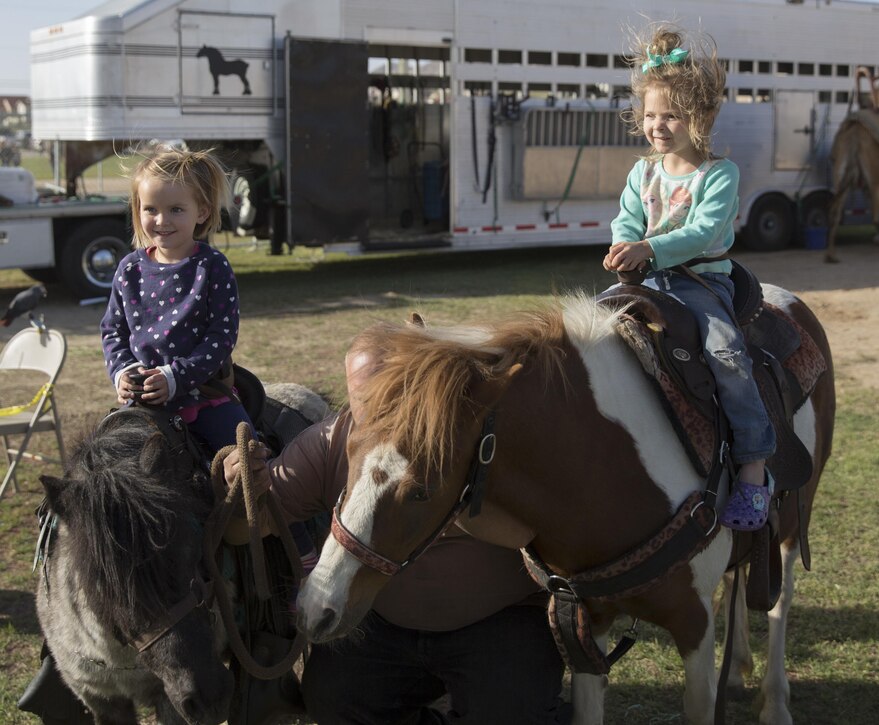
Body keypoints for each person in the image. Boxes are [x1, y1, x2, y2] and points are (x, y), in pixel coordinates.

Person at [222, 410, 568, 725]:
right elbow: (247, 529)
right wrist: (242, 494)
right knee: (333, 699)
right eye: (365, 396)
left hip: (501, 621)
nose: (383, 404)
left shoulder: (490, 437)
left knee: (512, 714)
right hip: (384, 624)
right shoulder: (330, 440)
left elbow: (548, 528)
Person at [100, 144, 316, 568]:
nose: (160, 221)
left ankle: (301, 554)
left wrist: (176, 376)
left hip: (204, 396)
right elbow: (113, 331)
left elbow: (221, 337)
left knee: (254, 472)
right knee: (104, 477)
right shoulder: (128, 269)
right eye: (150, 210)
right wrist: (123, 371)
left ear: (201, 211)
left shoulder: (212, 267)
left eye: (175, 210)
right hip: (142, 405)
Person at [604, 24, 776, 531]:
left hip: (700, 284)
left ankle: (752, 466)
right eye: (651, 115)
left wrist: (648, 249)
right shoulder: (643, 172)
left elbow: (702, 233)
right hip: (644, 279)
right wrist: (621, 246)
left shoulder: (719, 175)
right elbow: (627, 218)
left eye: (671, 115)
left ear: (700, 117)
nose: (658, 125)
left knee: (726, 355)